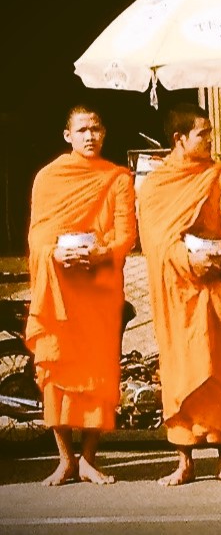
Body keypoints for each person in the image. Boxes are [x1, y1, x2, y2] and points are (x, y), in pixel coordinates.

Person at [137, 102, 221, 486]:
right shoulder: (155, 185)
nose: (209, 139)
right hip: (178, 289)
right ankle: (184, 460)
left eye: (209, 132)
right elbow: (154, 239)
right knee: (181, 371)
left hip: (217, 281)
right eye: (202, 133)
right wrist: (189, 262)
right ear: (179, 139)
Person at [25, 105, 136, 486]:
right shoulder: (48, 177)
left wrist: (101, 253)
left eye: (96, 128)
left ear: (104, 133)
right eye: (83, 129)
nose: (90, 136)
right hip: (59, 290)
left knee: (99, 373)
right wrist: (53, 252)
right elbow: (37, 234)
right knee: (56, 370)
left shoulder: (118, 178)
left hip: (98, 288)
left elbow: (126, 236)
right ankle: (65, 459)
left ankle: (89, 458)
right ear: (67, 135)